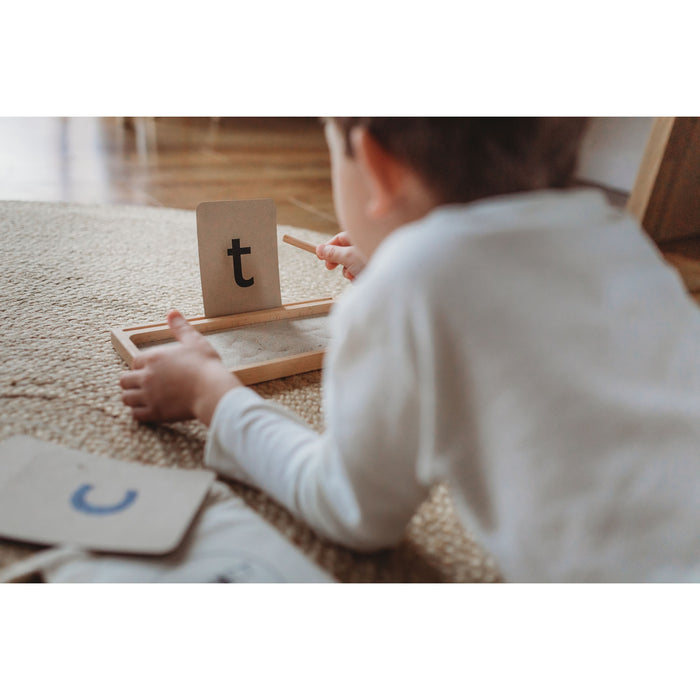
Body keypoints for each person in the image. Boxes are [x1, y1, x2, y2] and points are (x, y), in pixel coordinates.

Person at [120, 118, 700, 581]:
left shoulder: (411, 288)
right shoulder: (621, 237)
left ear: (373, 163)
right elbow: (499, 289)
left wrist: (213, 395)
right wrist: (397, 269)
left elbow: (350, 507)